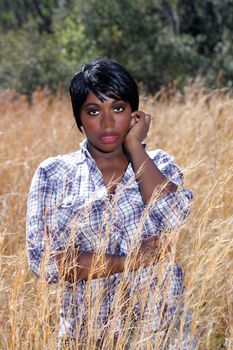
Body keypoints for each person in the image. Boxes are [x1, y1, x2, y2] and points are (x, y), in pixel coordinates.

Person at [26, 57, 197, 349]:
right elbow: (45, 263)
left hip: (163, 332)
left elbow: (174, 217)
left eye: (118, 108)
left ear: (134, 113)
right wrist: (127, 262)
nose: (107, 122)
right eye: (93, 111)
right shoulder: (53, 173)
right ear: (79, 118)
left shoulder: (159, 164)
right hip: (89, 334)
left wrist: (135, 148)